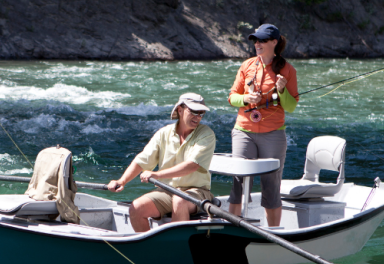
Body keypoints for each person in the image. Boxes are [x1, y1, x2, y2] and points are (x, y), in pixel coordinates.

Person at [107, 93, 216, 233]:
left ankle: (176, 248)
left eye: (201, 113)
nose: (198, 117)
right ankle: (149, 250)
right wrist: (122, 181)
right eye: (194, 111)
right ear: (180, 110)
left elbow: (192, 165)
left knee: (179, 200)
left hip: (197, 192)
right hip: (166, 191)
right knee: (136, 207)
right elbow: (142, 160)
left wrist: (157, 174)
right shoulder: (163, 133)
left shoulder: (206, 134)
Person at [227, 23, 299, 226]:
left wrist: (282, 91)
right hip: (244, 131)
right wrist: (246, 99)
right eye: (255, 40)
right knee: (238, 182)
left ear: (274, 42)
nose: (257, 44)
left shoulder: (287, 70)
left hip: (273, 133)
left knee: (271, 185)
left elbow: (291, 107)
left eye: (262, 40)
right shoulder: (247, 65)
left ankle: (274, 232)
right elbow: (232, 97)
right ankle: (233, 227)